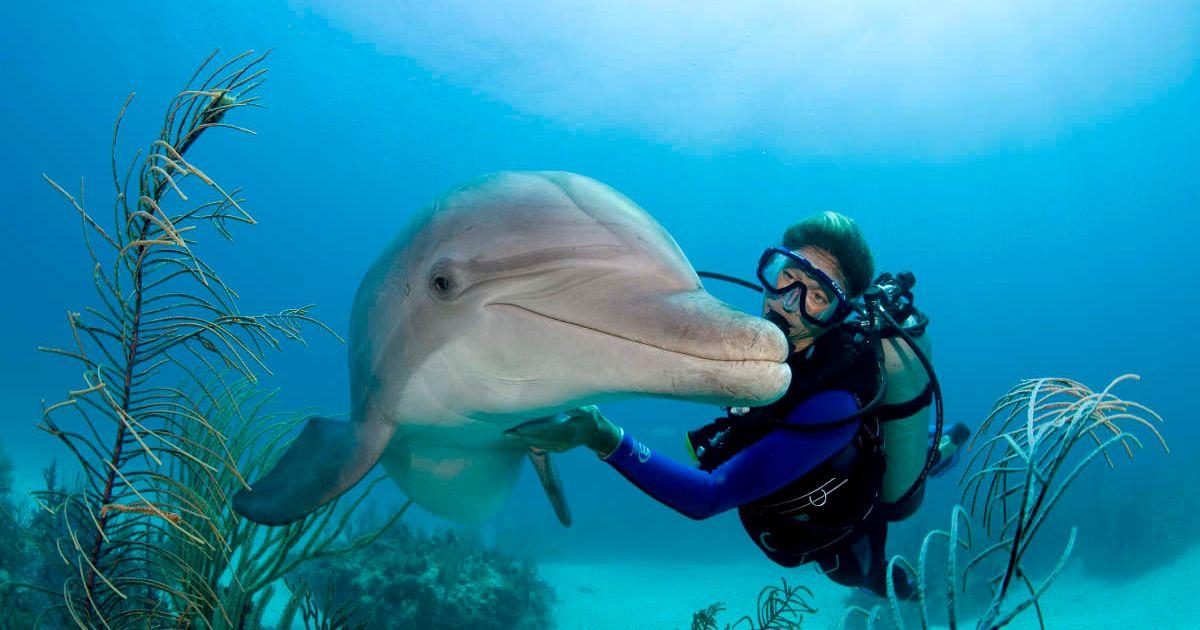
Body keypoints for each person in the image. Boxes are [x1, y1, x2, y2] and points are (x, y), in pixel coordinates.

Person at [506, 211, 968, 597]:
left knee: (863, 573)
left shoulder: (833, 406)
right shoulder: (772, 344)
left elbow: (709, 496)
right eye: (785, 277)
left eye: (817, 297)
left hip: (836, 528)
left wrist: (600, 435)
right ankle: (936, 445)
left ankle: (934, 465)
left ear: (836, 315)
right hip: (802, 473)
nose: (787, 304)